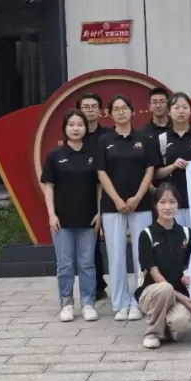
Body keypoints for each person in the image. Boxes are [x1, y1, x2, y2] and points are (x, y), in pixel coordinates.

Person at [95, 95, 159, 321]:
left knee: (141, 254)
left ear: (132, 112)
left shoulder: (144, 139)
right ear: (110, 114)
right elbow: (101, 172)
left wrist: (137, 197)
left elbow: (150, 170)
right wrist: (116, 200)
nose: (121, 112)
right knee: (116, 254)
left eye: (125, 108)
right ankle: (120, 302)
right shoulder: (104, 140)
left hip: (140, 204)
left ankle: (139, 300)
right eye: (116, 109)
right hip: (112, 206)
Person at [41, 110, 100, 323]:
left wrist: (100, 213)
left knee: (87, 263)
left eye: (80, 124)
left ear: (85, 128)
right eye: (71, 124)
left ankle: (88, 303)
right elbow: (49, 187)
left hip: (89, 219)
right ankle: (66, 302)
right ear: (65, 128)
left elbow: (99, 186)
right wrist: (51, 214)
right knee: (65, 264)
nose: (76, 128)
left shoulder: (93, 154)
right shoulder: (55, 155)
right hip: (62, 220)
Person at [135, 182, 191, 349]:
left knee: (181, 324)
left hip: (177, 293)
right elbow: (154, 273)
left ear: (178, 204)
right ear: (155, 205)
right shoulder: (146, 235)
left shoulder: (187, 234)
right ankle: (152, 333)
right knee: (165, 288)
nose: (167, 207)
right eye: (162, 202)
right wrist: (183, 298)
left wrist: (188, 277)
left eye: (172, 202)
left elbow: (190, 265)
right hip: (153, 293)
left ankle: (163, 325)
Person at [154, 92, 191, 229]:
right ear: (169, 112)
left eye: (185, 107)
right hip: (171, 202)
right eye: (176, 108)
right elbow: (156, 174)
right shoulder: (162, 139)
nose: (181, 111)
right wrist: (173, 166)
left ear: (190, 111)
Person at [77, 92, 111, 300]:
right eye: (85, 107)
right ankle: (96, 286)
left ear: (101, 111)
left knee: (114, 242)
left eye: (93, 107)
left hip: (110, 193)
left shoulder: (108, 135)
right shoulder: (76, 136)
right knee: (90, 245)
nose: (89, 110)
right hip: (85, 196)